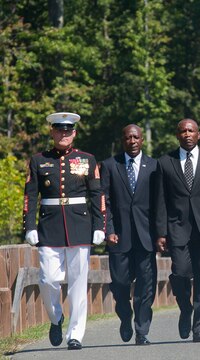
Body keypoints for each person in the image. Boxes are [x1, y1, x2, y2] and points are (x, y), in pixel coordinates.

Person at [23, 112, 105, 350]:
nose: (64, 134)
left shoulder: (87, 159)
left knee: (79, 283)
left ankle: (75, 334)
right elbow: (29, 196)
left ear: (74, 133)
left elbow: (97, 194)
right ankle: (56, 317)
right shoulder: (39, 160)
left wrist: (99, 225)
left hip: (80, 226)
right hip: (49, 227)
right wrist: (29, 226)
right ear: (52, 132)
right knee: (47, 279)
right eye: (59, 130)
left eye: (68, 131)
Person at [154, 119, 200, 343]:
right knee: (181, 272)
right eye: (182, 131)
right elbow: (161, 201)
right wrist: (160, 232)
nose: (187, 134)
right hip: (177, 228)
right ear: (177, 135)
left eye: (191, 131)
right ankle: (186, 309)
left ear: (198, 134)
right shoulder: (165, 162)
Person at [100, 124, 158, 345]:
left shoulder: (154, 166)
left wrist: (161, 234)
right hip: (119, 237)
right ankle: (125, 316)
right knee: (121, 284)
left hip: (146, 237)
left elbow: (159, 205)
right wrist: (109, 230)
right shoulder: (109, 165)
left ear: (142, 140)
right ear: (123, 141)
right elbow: (104, 202)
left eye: (136, 137)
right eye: (128, 138)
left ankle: (142, 330)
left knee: (146, 285)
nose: (132, 141)